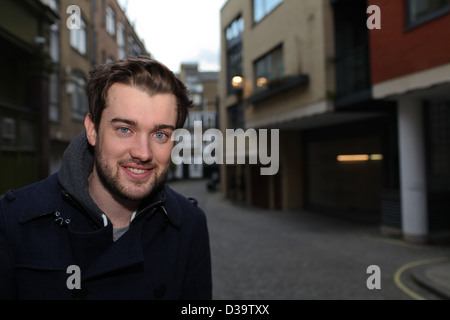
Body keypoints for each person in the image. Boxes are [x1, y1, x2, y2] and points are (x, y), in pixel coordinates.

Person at [0, 56, 212, 300]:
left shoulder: (189, 224)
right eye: (124, 129)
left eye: (160, 135)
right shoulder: (15, 221)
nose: (143, 153)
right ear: (92, 130)